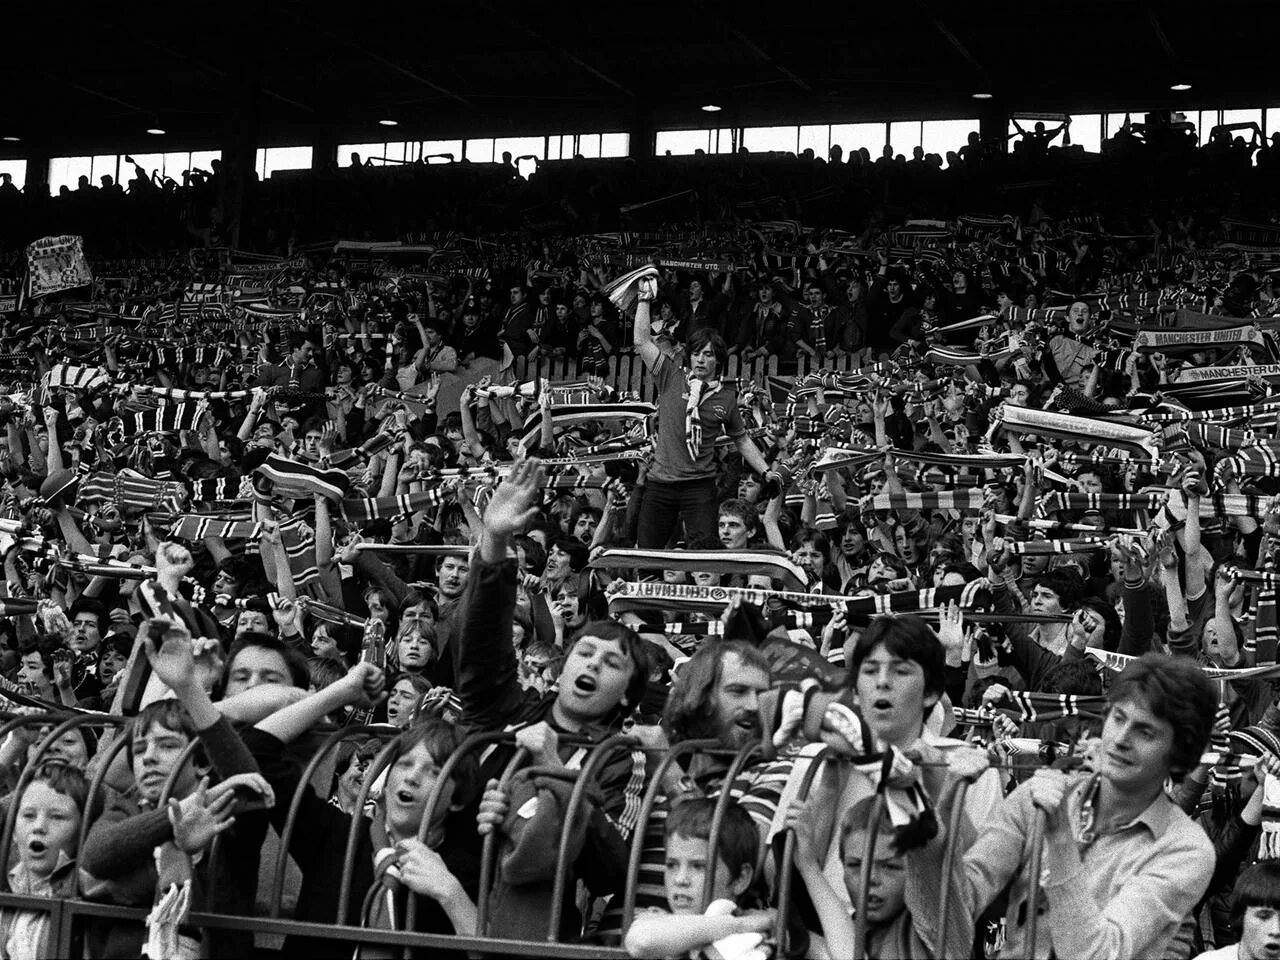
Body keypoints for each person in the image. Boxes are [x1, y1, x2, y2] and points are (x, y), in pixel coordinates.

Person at [961, 652, 1217, 959]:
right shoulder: (1038, 794)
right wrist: (922, 807)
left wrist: (1059, 837)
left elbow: (1097, 954)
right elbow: (956, 904)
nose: (1121, 739)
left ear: (1181, 753)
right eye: (1118, 718)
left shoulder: (1186, 849)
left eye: (1145, 732)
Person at [632, 271, 775, 551]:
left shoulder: (726, 398)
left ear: (717, 360)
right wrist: (644, 299)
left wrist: (766, 470)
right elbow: (642, 342)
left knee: (704, 551)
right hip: (660, 483)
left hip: (699, 486)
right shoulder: (672, 375)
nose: (700, 359)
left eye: (708, 354)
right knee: (647, 551)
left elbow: (742, 439)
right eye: (696, 352)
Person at [623, 799, 773, 959]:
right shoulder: (660, 922)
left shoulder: (752, 938)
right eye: (672, 865)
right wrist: (738, 925)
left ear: (740, 879)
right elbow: (640, 940)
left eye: (698, 866)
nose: (680, 879)